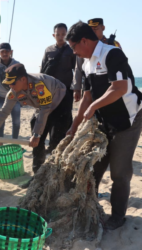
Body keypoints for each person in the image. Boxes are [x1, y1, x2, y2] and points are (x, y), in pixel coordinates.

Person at [66, 21, 142, 230]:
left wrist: (94, 107)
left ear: (84, 41)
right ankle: (89, 206)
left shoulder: (112, 54)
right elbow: (87, 97)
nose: (74, 52)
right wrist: (75, 124)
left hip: (128, 120)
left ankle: (118, 216)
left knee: (119, 171)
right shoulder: (86, 62)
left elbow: (119, 88)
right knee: (94, 166)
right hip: (105, 121)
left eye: (74, 47)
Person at [0, 64, 68, 187]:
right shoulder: (14, 91)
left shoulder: (39, 84)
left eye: (12, 83)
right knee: (36, 136)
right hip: (43, 105)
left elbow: (45, 109)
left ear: (23, 79)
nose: (10, 86)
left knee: (57, 139)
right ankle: (38, 177)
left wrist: (37, 134)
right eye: (8, 83)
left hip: (60, 100)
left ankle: (59, 178)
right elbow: (4, 110)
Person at [40, 23, 76, 152]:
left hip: (66, 89)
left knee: (64, 117)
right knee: (50, 117)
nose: (61, 37)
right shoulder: (48, 50)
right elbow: (42, 70)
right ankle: (52, 146)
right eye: (58, 34)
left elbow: (77, 70)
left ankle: (61, 145)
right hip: (50, 90)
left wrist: (78, 88)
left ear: (67, 35)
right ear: (53, 35)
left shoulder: (72, 50)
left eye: (63, 34)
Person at [73, 18, 122, 102]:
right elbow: (78, 68)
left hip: (109, 87)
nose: (93, 32)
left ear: (103, 28)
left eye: (95, 29)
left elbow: (122, 66)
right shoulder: (83, 45)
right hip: (90, 88)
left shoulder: (113, 45)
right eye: (90, 30)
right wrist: (76, 88)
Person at [0, 43, 20, 142]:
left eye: (7, 51)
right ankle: (0, 143)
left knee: (16, 122)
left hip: (15, 98)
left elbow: (23, 80)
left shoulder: (17, 65)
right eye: (2, 52)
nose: (5, 54)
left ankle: (15, 143)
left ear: (11, 52)